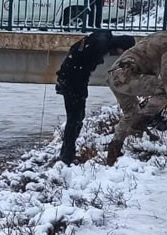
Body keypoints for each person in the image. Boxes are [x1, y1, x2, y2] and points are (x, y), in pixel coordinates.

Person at [105, 19, 167, 165]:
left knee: (130, 113)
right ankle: (141, 123)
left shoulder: (159, 36)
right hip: (128, 75)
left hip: (114, 75)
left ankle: (113, 154)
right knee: (164, 90)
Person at [56, 30, 135, 164]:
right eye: (121, 53)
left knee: (76, 119)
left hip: (71, 78)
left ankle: (67, 154)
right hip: (72, 82)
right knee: (74, 119)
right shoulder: (100, 43)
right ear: (120, 48)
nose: (117, 56)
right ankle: (66, 157)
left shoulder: (102, 37)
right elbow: (84, 61)